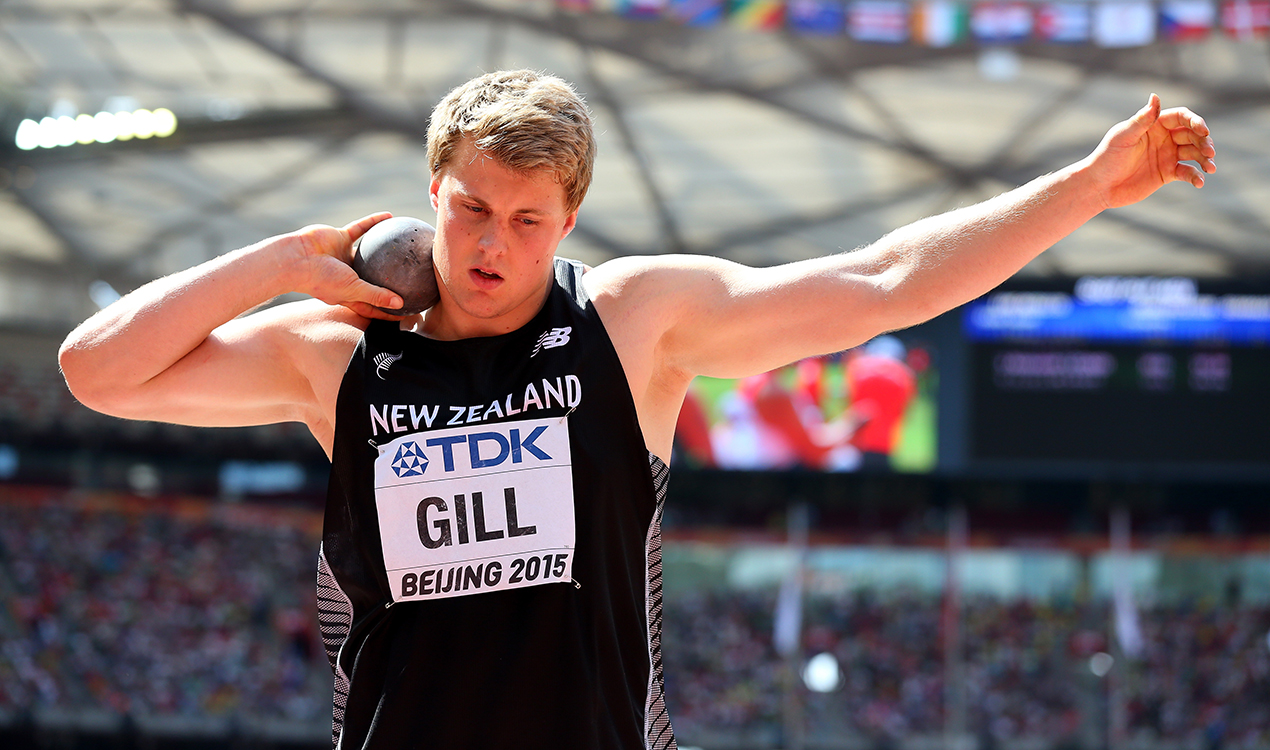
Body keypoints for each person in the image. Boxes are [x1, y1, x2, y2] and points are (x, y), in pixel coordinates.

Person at [58, 69, 1216, 749]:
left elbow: (884, 281)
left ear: (567, 222)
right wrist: (282, 259)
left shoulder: (633, 324)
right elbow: (98, 371)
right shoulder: (338, 355)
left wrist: (1090, 187)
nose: (489, 246)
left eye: (524, 220)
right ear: (429, 198)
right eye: (469, 211)